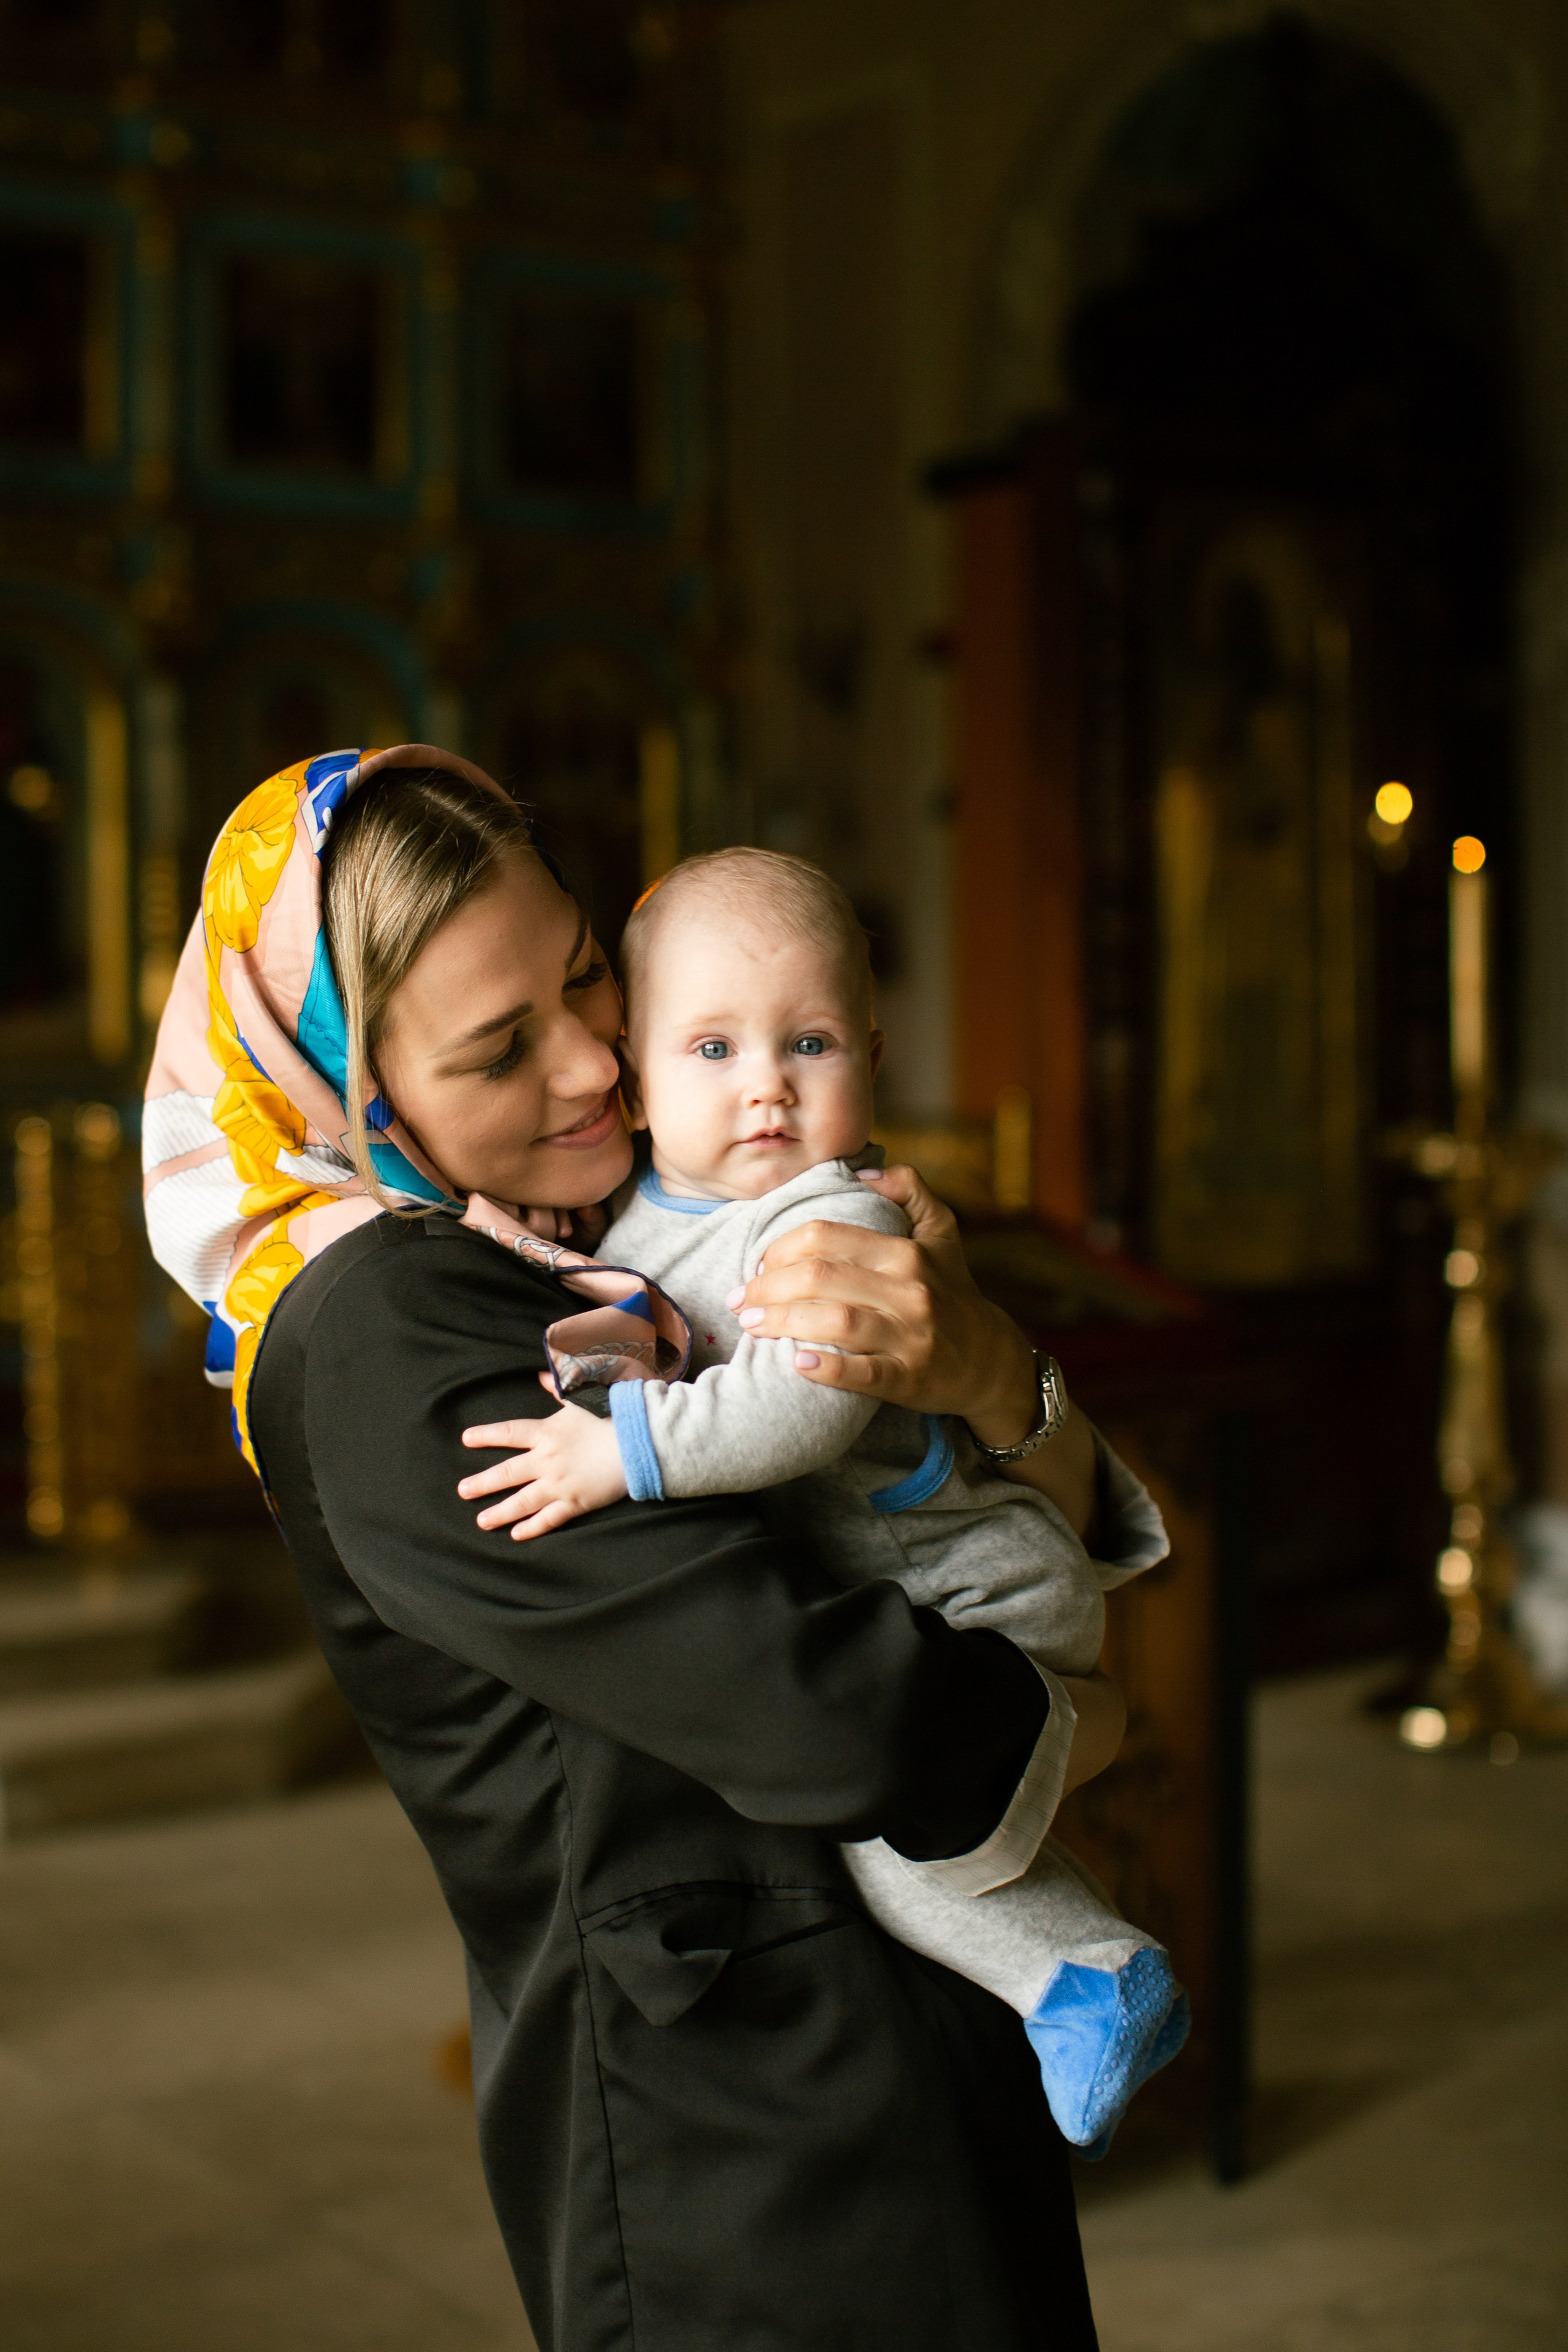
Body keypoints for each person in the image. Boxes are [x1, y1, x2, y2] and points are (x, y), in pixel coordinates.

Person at [143, 745, 1131, 2352]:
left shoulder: (600, 1237)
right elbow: (823, 1704)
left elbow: (968, 1472)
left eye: (588, 973)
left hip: (864, 2025)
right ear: (355, 1090)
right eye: (498, 1047)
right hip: (738, 2126)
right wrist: (1080, 1718)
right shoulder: (391, 1320)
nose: (600, 1060)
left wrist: (984, 1373)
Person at [454, 846, 1184, 2155]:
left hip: (967, 1580)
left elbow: (797, 1409)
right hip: (886, 1596)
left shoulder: (828, 1217)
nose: (767, 1090)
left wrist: (625, 1454)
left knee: (882, 1836)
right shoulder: (640, 1211)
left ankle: (1082, 1971)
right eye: (713, 1049)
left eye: (809, 1042)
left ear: (873, 1055)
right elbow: (599, 1292)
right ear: (639, 1069)